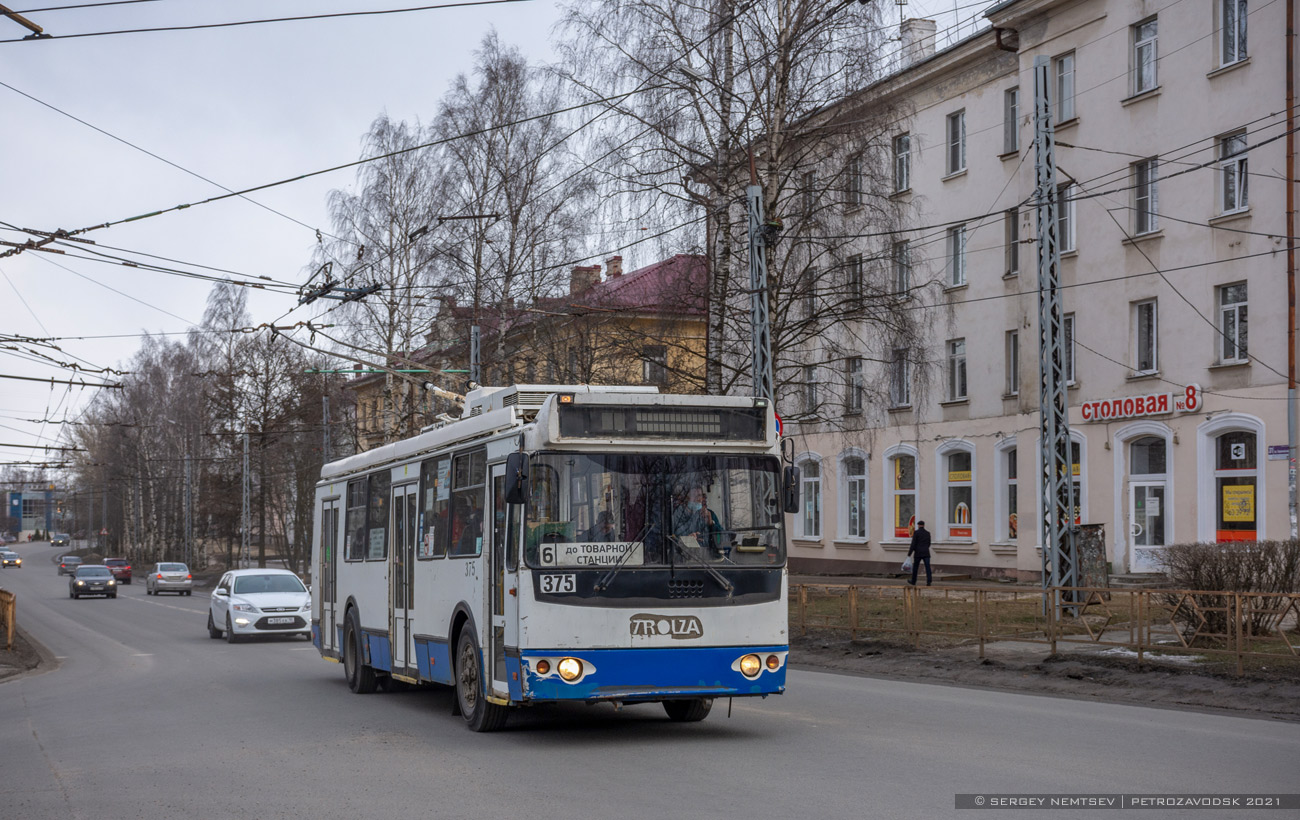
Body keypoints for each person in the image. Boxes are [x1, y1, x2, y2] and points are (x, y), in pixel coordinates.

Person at [672, 485, 722, 556]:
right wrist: (687, 539)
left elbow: (722, 540)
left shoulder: (709, 514)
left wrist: (711, 523)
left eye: (699, 495)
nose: (697, 499)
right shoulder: (677, 514)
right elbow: (673, 537)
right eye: (694, 496)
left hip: (708, 558)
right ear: (686, 498)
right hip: (684, 558)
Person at [907, 520, 932, 586]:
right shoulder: (927, 533)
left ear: (918, 525)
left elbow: (913, 544)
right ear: (923, 525)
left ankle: (913, 581)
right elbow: (929, 543)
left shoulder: (916, 533)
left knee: (915, 567)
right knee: (927, 567)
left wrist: (909, 553)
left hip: (918, 553)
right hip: (926, 552)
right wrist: (925, 548)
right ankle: (929, 581)